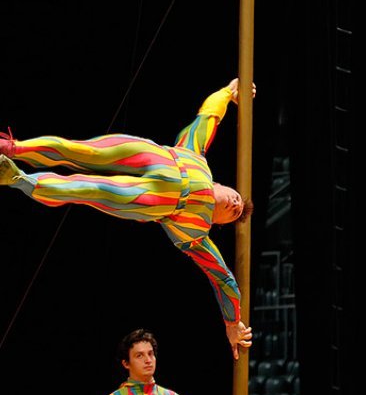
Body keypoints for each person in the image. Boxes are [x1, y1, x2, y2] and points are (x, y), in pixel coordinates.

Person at [0, 79, 255, 358]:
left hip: (152, 199)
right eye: (236, 198)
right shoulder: (195, 155)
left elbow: (224, 280)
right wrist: (229, 92)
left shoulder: (195, 236)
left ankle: (17, 177)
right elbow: (208, 115)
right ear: (221, 184)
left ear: (219, 224)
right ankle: (12, 148)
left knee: (87, 188)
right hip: (153, 156)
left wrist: (232, 324)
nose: (234, 204)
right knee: (81, 152)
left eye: (234, 213)